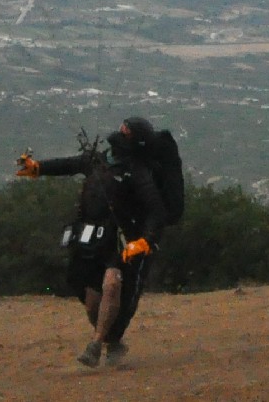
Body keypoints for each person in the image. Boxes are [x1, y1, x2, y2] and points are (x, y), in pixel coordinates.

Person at [17, 117, 169, 368]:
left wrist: (145, 240)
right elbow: (70, 164)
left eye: (126, 130)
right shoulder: (98, 160)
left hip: (118, 240)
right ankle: (111, 339)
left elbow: (157, 211)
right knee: (91, 302)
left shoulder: (138, 172)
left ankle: (95, 344)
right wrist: (37, 168)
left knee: (112, 283)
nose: (120, 130)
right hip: (90, 238)